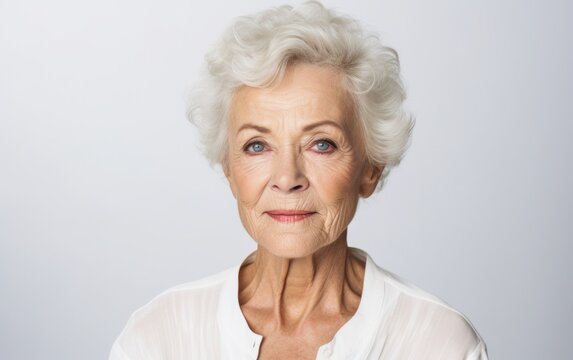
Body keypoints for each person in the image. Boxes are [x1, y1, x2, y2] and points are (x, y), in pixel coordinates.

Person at [109, 1, 488, 359]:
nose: (287, 178)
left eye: (321, 144)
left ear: (371, 168)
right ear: (229, 168)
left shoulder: (439, 344)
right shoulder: (159, 338)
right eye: (257, 146)